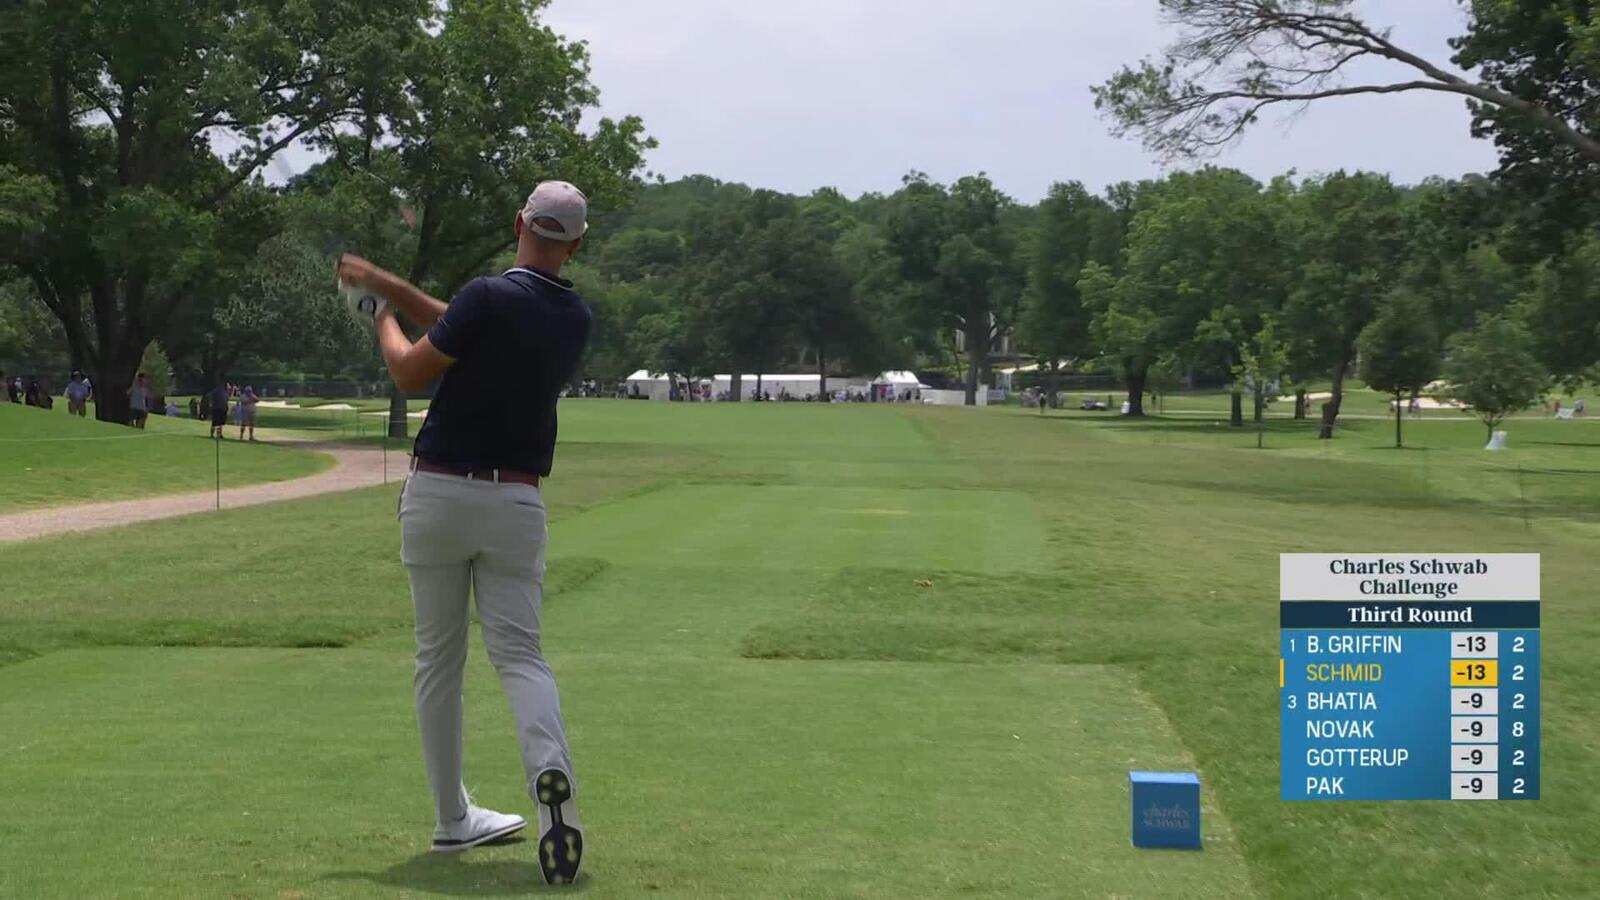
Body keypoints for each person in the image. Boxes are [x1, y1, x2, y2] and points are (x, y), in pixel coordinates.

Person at [336, 180, 591, 883]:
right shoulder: (572, 317)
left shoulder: (486, 297)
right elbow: (466, 322)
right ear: (576, 243)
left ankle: (453, 817)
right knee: (521, 658)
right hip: (515, 502)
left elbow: (410, 372)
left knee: (438, 661)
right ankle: (549, 774)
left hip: (440, 495)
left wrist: (378, 312)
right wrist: (394, 285)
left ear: (518, 223)